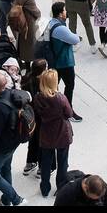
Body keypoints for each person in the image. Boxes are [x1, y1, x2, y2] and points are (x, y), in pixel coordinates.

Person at [0, 71, 29, 206]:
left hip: (2, 147)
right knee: (5, 169)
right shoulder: (13, 94)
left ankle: (16, 200)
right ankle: (6, 200)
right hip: (13, 142)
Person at [33, 69, 76, 198]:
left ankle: (45, 188)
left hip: (46, 133)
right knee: (62, 161)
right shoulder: (61, 98)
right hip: (62, 133)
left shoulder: (38, 97)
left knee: (46, 162)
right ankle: (61, 187)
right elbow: (69, 113)